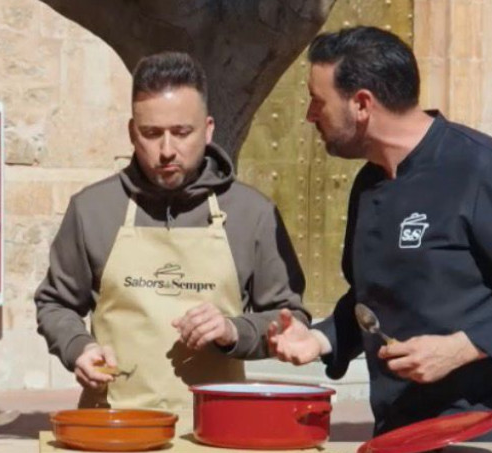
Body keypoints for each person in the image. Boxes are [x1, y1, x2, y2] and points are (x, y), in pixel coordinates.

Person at [269, 27, 492, 441]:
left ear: (362, 103)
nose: (311, 115)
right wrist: (320, 338)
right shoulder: (369, 184)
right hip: (402, 432)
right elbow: (372, 299)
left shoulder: (483, 169)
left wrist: (462, 346)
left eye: (318, 101)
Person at [35, 52, 309, 420]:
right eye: (151, 134)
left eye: (182, 133)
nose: (166, 150)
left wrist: (233, 330)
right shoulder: (92, 209)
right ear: (132, 132)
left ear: (208, 129)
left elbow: (290, 318)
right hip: (113, 426)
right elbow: (56, 303)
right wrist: (78, 347)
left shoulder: (252, 214)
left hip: (218, 429)